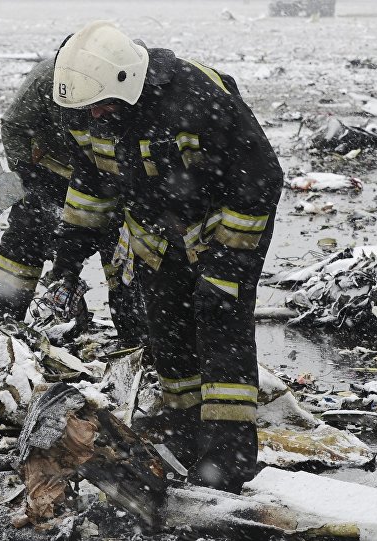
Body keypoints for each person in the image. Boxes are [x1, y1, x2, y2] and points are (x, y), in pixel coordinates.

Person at [44, 20, 283, 493]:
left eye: (102, 106)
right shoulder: (86, 111)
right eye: (87, 109)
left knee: (222, 332)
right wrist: (66, 265)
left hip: (225, 228)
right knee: (169, 334)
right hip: (156, 235)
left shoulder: (197, 99)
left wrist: (224, 269)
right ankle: (186, 438)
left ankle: (228, 461)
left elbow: (259, 181)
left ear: (127, 82)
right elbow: (91, 187)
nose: (95, 116)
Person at [0, 53, 146, 345]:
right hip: (50, 174)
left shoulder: (130, 82)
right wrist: (26, 176)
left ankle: (136, 339)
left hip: (109, 178)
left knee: (121, 256)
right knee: (22, 244)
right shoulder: (46, 78)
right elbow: (14, 126)